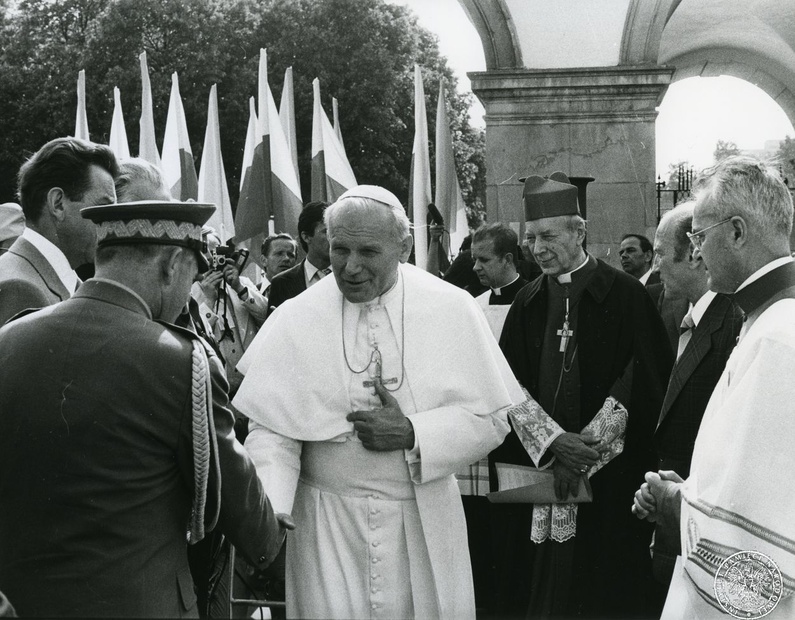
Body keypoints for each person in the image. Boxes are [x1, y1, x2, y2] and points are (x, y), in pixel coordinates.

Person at [233, 185, 523, 619]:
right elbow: (272, 428)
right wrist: (272, 506)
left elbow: (493, 418)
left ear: (403, 246)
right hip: (324, 521)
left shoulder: (451, 308)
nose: (350, 267)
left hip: (421, 517)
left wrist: (413, 432)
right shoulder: (298, 314)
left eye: (368, 251)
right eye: (339, 249)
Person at [0, 200, 291, 617]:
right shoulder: (181, 360)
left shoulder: (11, 337)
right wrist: (270, 539)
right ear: (173, 265)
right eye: (192, 276)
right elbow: (230, 496)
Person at [495, 172, 673, 619]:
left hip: (609, 484)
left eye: (549, 236)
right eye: (531, 238)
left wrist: (586, 452)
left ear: (580, 231)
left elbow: (644, 379)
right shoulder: (527, 301)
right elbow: (504, 383)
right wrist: (554, 444)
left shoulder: (628, 295)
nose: (537, 248)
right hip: (542, 473)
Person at [634, 156, 795, 619]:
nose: (696, 252)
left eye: (699, 236)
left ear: (738, 232)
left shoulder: (777, 339)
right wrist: (694, 491)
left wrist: (675, 508)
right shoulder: (765, 321)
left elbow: (763, 544)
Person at [650, 201, 743, 588]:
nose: (654, 267)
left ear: (693, 253)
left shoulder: (735, 321)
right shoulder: (670, 310)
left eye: (659, 253)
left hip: (705, 520)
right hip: (668, 509)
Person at [0, 137, 117, 324]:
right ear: (58, 204)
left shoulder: (49, 278)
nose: (112, 221)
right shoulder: (21, 289)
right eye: (104, 207)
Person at [193, 228, 268, 395]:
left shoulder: (242, 283)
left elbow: (267, 316)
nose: (213, 258)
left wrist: (240, 289)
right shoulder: (190, 292)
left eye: (218, 251)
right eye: (207, 251)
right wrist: (209, 301)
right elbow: (194, 334)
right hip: (217, 387)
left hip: (250, 384)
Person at [267, 200, 330, 312]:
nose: (333, 237)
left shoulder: (349, 276)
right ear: (306, 237)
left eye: (335, 231)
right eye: (326, 231)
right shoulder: (281, 284)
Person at [471, 222, 528, 339]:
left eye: (484, 260)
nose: (476, 267)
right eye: (475, 260)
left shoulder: (532, 299)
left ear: (507, 259)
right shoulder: (476, 305)